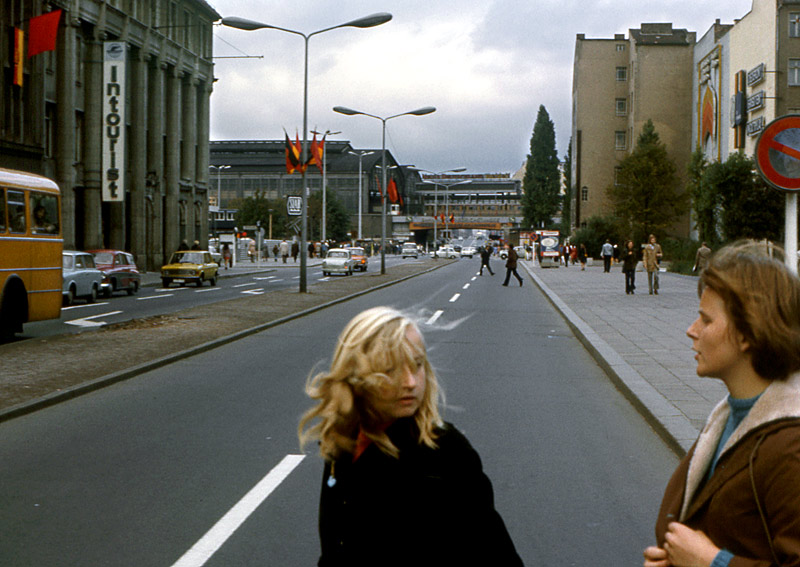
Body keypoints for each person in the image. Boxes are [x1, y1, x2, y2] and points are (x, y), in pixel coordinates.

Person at [298, 307, 524, 567]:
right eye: (390, 370)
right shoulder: (342, 443)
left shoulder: (445, 451)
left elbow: (496, 553)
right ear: (355, 375)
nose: (410, 382)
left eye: (417, 365)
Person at [643, 240, 800, 567]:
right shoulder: (731, 417)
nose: (691, 330)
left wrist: (712, 562)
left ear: (748, 333)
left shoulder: (789, 446)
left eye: (706, 319)